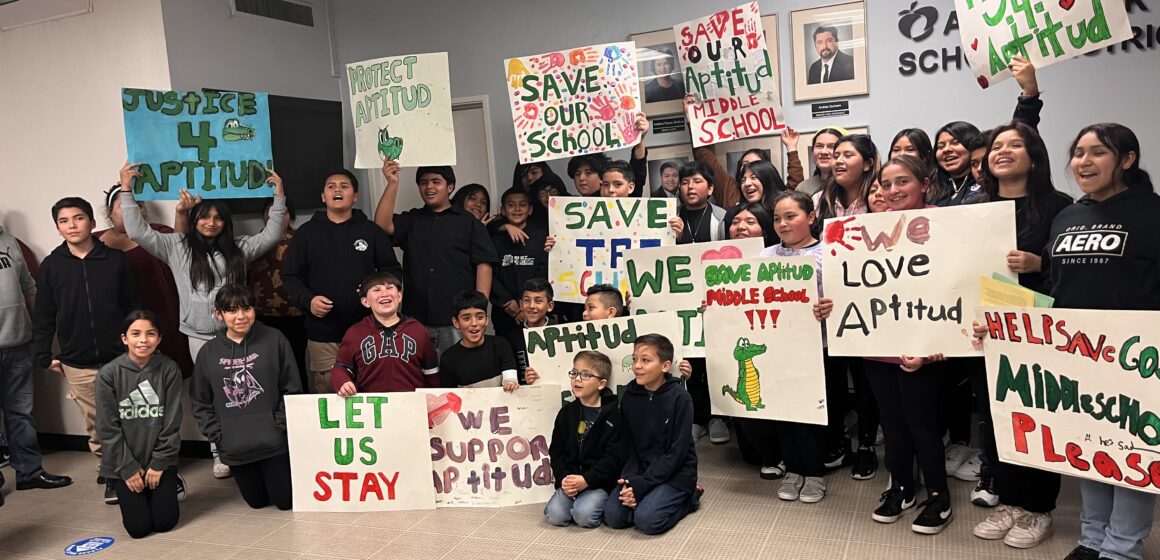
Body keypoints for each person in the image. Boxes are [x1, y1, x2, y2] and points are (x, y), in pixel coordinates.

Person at [119, 164, 287, 480]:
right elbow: (138, 231)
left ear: (226, 222)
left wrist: (278, 195)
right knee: (213, 393)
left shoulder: (239, 250)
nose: (211, 223)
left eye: (218, 217)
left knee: (246, 391)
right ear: (195, 220)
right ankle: (218, 451)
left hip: (238, 335)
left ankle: (250, 446)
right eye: (204, 216)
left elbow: (273, 234)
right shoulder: (176, 247)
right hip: (199, 337)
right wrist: (126, 189)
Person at [822, 155, 953, 534]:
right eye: (886, 185)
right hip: (876, 344)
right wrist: (831, 304)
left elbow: (955, 287)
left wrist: (937, 344)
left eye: (902, 183)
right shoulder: (863, 229)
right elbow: (847, 282)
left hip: (924, 350)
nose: (893, 191)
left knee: (923, 424)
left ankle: (938, 494)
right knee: (892, 422)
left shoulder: (944, 225)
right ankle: (901, 485)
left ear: (925, 184)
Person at [1046, 123, 1157, 560]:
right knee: (1088, 444)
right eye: (1077, 153)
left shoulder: (1152, 212)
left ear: (1127, 160)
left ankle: (1123, 548)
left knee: (1130, 452)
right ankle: (1092, 539)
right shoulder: (1067, 216)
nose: (1084, 163)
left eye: (1097, 153)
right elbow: (1057, 287)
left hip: (1137, 357)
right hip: (1076, 353)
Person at [968, 122, 1072, 550]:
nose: (1003, 151)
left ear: (1035, 156)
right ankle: (1008, 499)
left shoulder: (1059, 206)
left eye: (1016, 145)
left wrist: (1039, 264)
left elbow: (1074, 271)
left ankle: (1038, 508)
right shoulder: (974, 205)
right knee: (995, 417)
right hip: (981, 330)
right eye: (997, 146)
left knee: (1036, 414)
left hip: (1037, 332)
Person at [33, 196, 132, 499]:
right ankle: (112, 473)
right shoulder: (52, 266)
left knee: (128, 417)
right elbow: (44, 315)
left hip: (120, 356)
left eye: (78, 218)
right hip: (77, 360)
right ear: (58, 228)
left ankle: (130, 467)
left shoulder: (115, 260)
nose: (72, 225)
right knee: (98, 424)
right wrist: (44, 354)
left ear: (91, 222)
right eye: (64, 221)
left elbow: (132, 307)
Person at [282, 169, 402, 394]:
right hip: (323, 333)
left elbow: (392, 271)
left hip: (370, 329)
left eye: (344, 186)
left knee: (372, 388)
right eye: (331, 186)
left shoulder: (371, 231)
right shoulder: (306, 233)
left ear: (355, 196)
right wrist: (308, 300)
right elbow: (290, 276)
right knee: (329, 393)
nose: (337, 189)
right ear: (323, 196)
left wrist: (376, 292)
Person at [191, 284, 301, 511]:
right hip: (235, 446)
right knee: (257, 503)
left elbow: (292, 388)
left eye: (246, 308)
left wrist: (278, 425)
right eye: (231, 310)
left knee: (284, 502)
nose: (241, 316)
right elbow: (200, 401)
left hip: (273, 441)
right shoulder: (209, 353)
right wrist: (218, 435)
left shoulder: (274, 339)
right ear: (218, 314)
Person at [374, 162, 498, 355]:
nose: (429, 187)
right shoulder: (412, 219)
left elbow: (484, 265)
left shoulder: (469, 222)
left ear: (450, 187)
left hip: (457, 319)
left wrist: (477, 309)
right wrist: (392, 183)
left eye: (436, 182)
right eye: (423, 182)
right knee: (420, 378)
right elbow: (382, 225)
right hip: (416, 318)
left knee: (460, 376)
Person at [813, 133, 881, 475]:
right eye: (835, 155)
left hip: (873, 306)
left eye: (847, 155)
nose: (838, 160)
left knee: (867, 382)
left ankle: (867, 444)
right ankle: (839, 440)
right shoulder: (820, 201)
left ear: (867, 163)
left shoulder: (880, 199)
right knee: (834, 382)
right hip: (830, 309)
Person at [761, 191, 832, 502]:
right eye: (777, 218)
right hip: (776, 349)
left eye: (791, 216)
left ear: (811, 217)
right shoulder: (765, 257)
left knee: (811, 413)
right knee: (783, 411)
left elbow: (847, 297)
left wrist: (828, 308)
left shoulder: (828, 254)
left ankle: (814, 472)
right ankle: (793, 468)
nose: (782, 223)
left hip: (816, 348)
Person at [0, 223, 73, 506]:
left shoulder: (9, 240)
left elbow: (28, 285)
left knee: (21, 413)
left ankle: (29, 472)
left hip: (19, 342)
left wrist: (42, 332)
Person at [95, 310, 182, 537]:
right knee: (138, 528)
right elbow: (107, 428)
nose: (143, 340)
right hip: (125, 461)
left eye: (150, 334)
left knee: (165, 523)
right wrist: (127, 468)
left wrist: (160, 462)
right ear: (125, 339)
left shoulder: (169, 369)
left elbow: (172, 422)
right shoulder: (108, 374)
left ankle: (172, 483)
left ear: (159, 339)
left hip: (159, 457)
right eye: (136, 334)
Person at [604, 333, 699, 534]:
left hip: (676, 473)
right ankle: (650, 497)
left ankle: (690, 498)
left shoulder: (680, 398)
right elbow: (629, 446)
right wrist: (630, 481)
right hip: (641, 470)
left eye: (645, 360)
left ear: (665, 366)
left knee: (647, 521)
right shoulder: (629, 396)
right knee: (614, 517)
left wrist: (641, 486)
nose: (637, 366)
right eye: (635, 359)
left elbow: (677, 453)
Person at [95, 188, 192, 378]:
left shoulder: (157, 233)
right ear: (109, 211)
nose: (132, 211)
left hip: (160, 317)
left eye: (138, 206)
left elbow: (180, 246)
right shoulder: (94, 241)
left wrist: (181, 213)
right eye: (124, 207)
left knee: (165, 379)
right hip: (114, 322)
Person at [545, 350, 629, 527]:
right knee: (555, 516)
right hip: (571, 479)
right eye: (574, 373)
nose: (577, 379)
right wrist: (564, 479)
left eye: (585, 375)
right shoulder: (567, 413)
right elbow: (556, 451)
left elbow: (614, 459)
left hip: (599, 482)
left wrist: (587, 480)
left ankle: (592, 503)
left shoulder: (614, 415)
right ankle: (575, 499)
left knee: (584, 516)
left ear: (601, 384)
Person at [331, 272, 440, 395]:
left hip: (411, 405)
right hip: (372, 406)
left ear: (399, 296)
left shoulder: (418, 330)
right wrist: (342, 381)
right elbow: (341, 367)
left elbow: (431, 371)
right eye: (376, 290)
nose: (384, 293)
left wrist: (432, 398)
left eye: (389, 288)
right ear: (365, 301)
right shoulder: (355, 333)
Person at [247, 198, 306, 390]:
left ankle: (298, 403)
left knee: (296, 361)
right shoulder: (253, 243)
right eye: (270, 211)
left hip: (296, 314)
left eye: (284, 212)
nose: (278, 216)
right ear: (264, 216)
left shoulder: (302, 240)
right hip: (262, 315)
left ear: (292, 216)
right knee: (265, 363)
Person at [490, 188, 548, 340]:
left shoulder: (542, 236)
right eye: (511, 205)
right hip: (504, 310)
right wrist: (508, 303)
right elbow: (490, 274)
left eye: (522, 205)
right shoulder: (494, 238)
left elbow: (543, 272)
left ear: (530, 210)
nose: (516, 209)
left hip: (535, 310)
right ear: (503, 210)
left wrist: (526, 306)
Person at [439, 290, 526, 390]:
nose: (474, 323)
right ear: (456, 322)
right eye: (466, 318)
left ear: (486, 320)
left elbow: (510, 379)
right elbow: (450, 397)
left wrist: (510, 383)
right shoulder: (448, 359)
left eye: (480, 317)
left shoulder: (501, 345)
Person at [506, 278, 555, 385]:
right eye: (527, 300)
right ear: (520, 304)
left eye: (538, 301)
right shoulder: (512, 338)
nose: (532, 306)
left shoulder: (562, 333)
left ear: (550, 306)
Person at [723, 159, 788, 230]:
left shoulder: (785, 208)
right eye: (743, 180)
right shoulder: (733, 214)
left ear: (768, 180)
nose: (747, 183)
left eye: (754, 177)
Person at [797, 128, 846, 196]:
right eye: (819, 146)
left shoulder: (849, 184)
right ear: (812, 151)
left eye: (831, 146)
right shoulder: (803, 188)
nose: (824, 152)